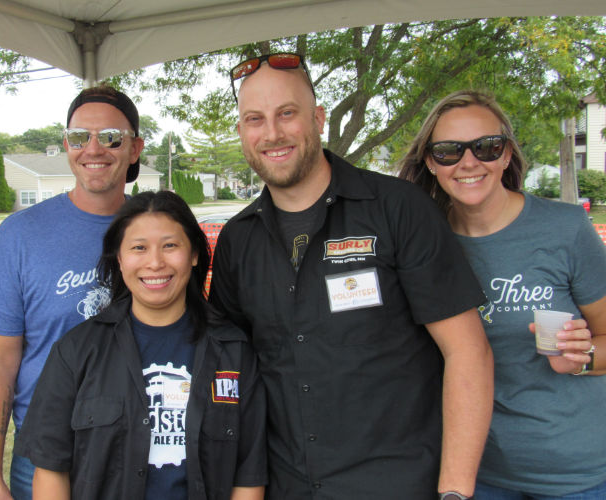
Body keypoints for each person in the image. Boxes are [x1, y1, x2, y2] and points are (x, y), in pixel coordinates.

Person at [209, 52, 495, 499]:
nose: (272, 133)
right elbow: (233, 371)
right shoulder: (236, 240)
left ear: (318, 118)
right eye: (254, 119)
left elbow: (468, 355)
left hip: (398, 485)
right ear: (242, 132)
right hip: (286, 487)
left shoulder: (398, 209)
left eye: (287, 113)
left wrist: (455, 492)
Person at [399, 90, 606, 499]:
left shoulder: (565, 229)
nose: (469, 162)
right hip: (476, 474)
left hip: (576, 476)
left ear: (508, 154)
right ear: (430, 162)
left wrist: (584, 360)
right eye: (448, 151)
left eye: (487, 147)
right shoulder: (420, 244)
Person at [14, 190, 267, 499]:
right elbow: (51, 469)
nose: (155, 262)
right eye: (139, 248)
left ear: (195, 254)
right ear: (119, 259)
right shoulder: (76, 351)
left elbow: (249, 476)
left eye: (170, 246)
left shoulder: (234, 352)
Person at [0, 86, 145, 500]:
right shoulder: (20, 234)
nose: (93, 149)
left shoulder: (158, 228)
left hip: (141, 442)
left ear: (135, 148)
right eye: (78, 137)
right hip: (45, 449)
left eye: (110, 137)